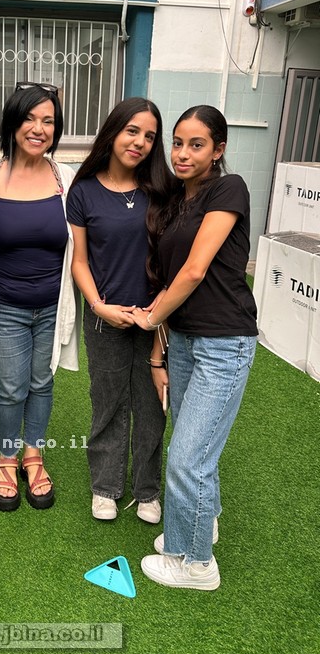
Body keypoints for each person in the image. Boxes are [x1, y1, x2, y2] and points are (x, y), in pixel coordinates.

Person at [132, 104, 258, 591]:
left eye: (197, 144)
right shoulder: (177, 203)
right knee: (194, 448)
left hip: (224, 343)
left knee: (188, 458)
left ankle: (195, 564)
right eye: (178, 143)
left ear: (218, 150)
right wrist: (160, 350)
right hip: (184, 341)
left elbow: (193, 271)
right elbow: (168, 280)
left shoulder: (229, 188)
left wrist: (150, 318)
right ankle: (198, 526)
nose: (182, 154)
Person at [0, 81, 81, 512]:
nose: (38, 128)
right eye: (30, 118)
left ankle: (34, 455)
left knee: (42, 382)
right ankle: (7, 459)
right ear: (13, 123)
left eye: (48, 121)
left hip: (53, 305)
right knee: (12, 387)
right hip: (4, 306)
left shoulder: (66, 178)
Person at [67, 98, 174, 523]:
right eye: (132, 131)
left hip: (157, 318)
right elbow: (79, 261)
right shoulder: (83, 191)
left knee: (151, 405)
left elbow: (176, 259)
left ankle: (147, 490)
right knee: (108, 401)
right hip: (105, 317)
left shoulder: (163, 190)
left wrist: (159, 311)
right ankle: (105, 487)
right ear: (113, 132)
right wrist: (99, 306)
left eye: (149, 136)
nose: (140, 142)